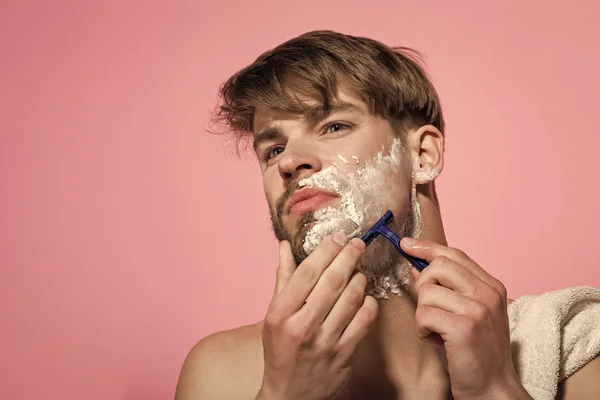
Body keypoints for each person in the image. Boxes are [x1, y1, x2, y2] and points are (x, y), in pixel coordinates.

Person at [175, 30, 600, 400]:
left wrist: (493, 388)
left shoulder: (571, 346)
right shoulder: (220, 374)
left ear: (422, 154)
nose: (290, 162)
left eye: (334, 127)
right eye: (273, 150)